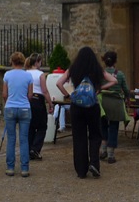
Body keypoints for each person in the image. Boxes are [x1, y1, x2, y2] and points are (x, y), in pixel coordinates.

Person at [56, 46, 117, 179]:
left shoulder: (74, 69)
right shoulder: (97, 69)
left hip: (76, 106)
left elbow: (59, 83)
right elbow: (114, 80)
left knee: (79, 137)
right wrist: (99, 88)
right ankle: (94, 163)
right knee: (95, 135)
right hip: (92, 106)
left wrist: (68, 95)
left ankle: (81, 170)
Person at [3, 52, 34, 177]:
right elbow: (30, 94)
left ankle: (10, 167)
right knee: (24, 139)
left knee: (11, 139)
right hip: (24, 108)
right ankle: (24, 168)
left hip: (10, 107)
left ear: (12, 61)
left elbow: (4, 94)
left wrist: (8, 103)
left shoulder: (7, 75)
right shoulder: (28, 76)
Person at [99, 51, 129, 164]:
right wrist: (127, 99)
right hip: (116, 103)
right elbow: (125, 89)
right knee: (113, 128)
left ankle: (103, 150)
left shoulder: (101, 73)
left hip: (103, 103)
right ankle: (111, 154)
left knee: (103, 126)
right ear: (115, 61)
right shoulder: (120, 74)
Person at [25, 53, 53, 161]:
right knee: (42, 126)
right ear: (37, 62)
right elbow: (44, 90)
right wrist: (50, 103)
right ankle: (35, 148)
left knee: (31, 126)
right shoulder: (40, 74)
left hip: (28, 100)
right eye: (40, 61)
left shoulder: (26, 73)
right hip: (38, 99)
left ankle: (29, 149)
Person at [52, 66, 70, 132]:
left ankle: (52, 120)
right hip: (65, 103)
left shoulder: (71, 84)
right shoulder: (63, 84)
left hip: (71, 103)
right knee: (60, 106)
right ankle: (61, 126)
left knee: (59, 106)